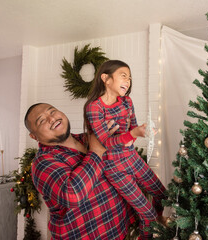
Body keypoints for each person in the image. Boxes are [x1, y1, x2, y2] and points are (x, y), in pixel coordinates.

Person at [24, 103, 135, 240]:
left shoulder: (87, 139)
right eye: (41, 120)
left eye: (52, 111)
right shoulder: (42, 163)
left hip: (120, 231)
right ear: (34, 136)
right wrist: (97, 151)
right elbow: (73, 195)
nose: (51, 119)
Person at [84, 60, 167, 239]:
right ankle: (149, 227)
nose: (128, 81)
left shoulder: (127, 101)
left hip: (132, 158)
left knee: (163, 195)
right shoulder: (94, 107)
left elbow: (134, 127)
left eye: (129, 78)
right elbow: (104, 141)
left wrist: (142, 132)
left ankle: (159, 225)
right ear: (106, 78)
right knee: (148, 215)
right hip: (114, 167)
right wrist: (132, 134)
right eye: (123, 76)